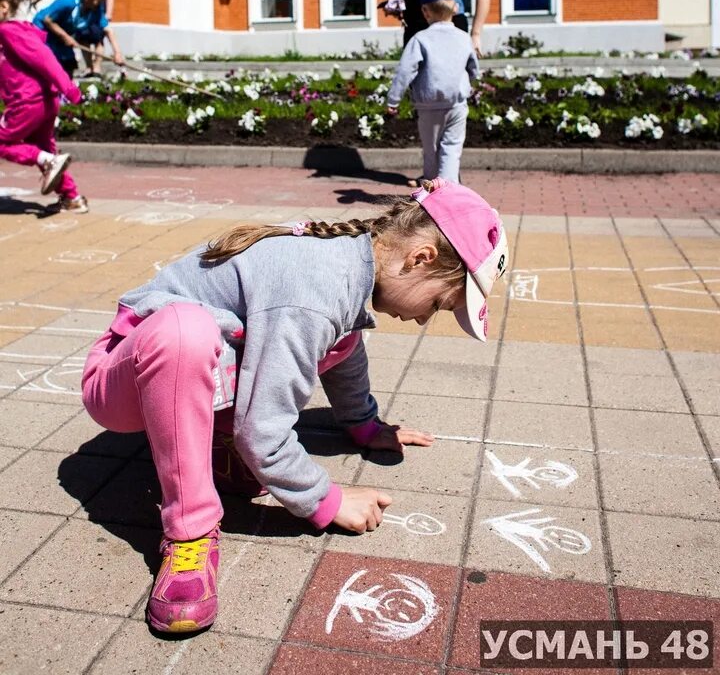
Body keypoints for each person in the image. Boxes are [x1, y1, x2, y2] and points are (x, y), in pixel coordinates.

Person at [82, 178, 508, 635]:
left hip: (180, 375)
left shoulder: (349, 262)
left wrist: (364, 424)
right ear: (420, 257)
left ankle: (213, 446)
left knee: (281, 364)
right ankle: (190, 532)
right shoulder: (317, 287)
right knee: (187, 332)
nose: (424, 318)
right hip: (121, 382)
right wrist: (326, 500)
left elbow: (344, 348)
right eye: (440, 303)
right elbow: (261, 431)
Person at [0, 0, 88, 213]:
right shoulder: (16, 32)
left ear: (4, 7)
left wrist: (69, 88)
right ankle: (72, 198)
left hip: (27, 103)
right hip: (42, 102)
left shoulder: (9, 31)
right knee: (44, 149)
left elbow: (44, 59)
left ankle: (48, 162)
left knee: (10, 145)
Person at [387, 0, 479, 184]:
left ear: (425, 11)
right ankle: (448, 190)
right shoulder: (464, 38)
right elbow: (473, 68)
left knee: (431, 149)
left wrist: (393, 100)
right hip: (456, 103)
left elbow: (405, 71)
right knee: (452, 149)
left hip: (428, 105)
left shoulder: (420, 39)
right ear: (455, 7)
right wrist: (472, 82)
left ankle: (431, 189)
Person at [33, 0, 124, 78]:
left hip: (62, 34)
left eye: (99, 0)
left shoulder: (95, 10)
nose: (97, 3)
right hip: (44, 31)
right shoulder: (68, 2)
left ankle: (66, 90)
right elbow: (47, 20)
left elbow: (108, 30)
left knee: (69, 64)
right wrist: (65, 37)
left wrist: (117, 53)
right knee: (49, 63)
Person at [76, 0, 114, 75]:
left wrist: (108, 13)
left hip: (98, 14)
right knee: (83, 40)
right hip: (84, 16)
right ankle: (89, 67)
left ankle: (97, 67)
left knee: (98, 41)